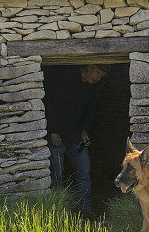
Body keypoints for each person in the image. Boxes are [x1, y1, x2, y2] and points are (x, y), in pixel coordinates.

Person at [44, 64, 107, 216]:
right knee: (56, 174)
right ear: (89, 67)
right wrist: (54, 131)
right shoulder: (65, 78)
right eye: (98, 72)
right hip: (58, 135)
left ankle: (84, 208)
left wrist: (85, 130)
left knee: (84, 171)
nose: (98, 77)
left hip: (76, 136)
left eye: (101, 76)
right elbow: (52, 104)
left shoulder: (89, 88)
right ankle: (58, 210)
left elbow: (89, 110)